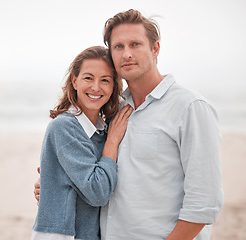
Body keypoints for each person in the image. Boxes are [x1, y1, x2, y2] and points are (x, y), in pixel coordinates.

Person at [35, 9, 224, 240]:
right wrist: (56, 185)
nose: (127, 54)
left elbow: (204, 202)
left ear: (155, 49)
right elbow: (96, 175)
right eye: (118, 47)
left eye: (135, 44)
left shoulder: (190, 107)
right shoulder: (113, 112)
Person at [31, 46, 133, 240]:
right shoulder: (64, 126)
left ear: (113, 87)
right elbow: (98, 192)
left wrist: (54, 183)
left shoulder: (101, 130)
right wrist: (112, 141)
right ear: (74, 80)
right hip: (63, 234)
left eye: (105, 80)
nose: (96, 87)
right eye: (88, 78)